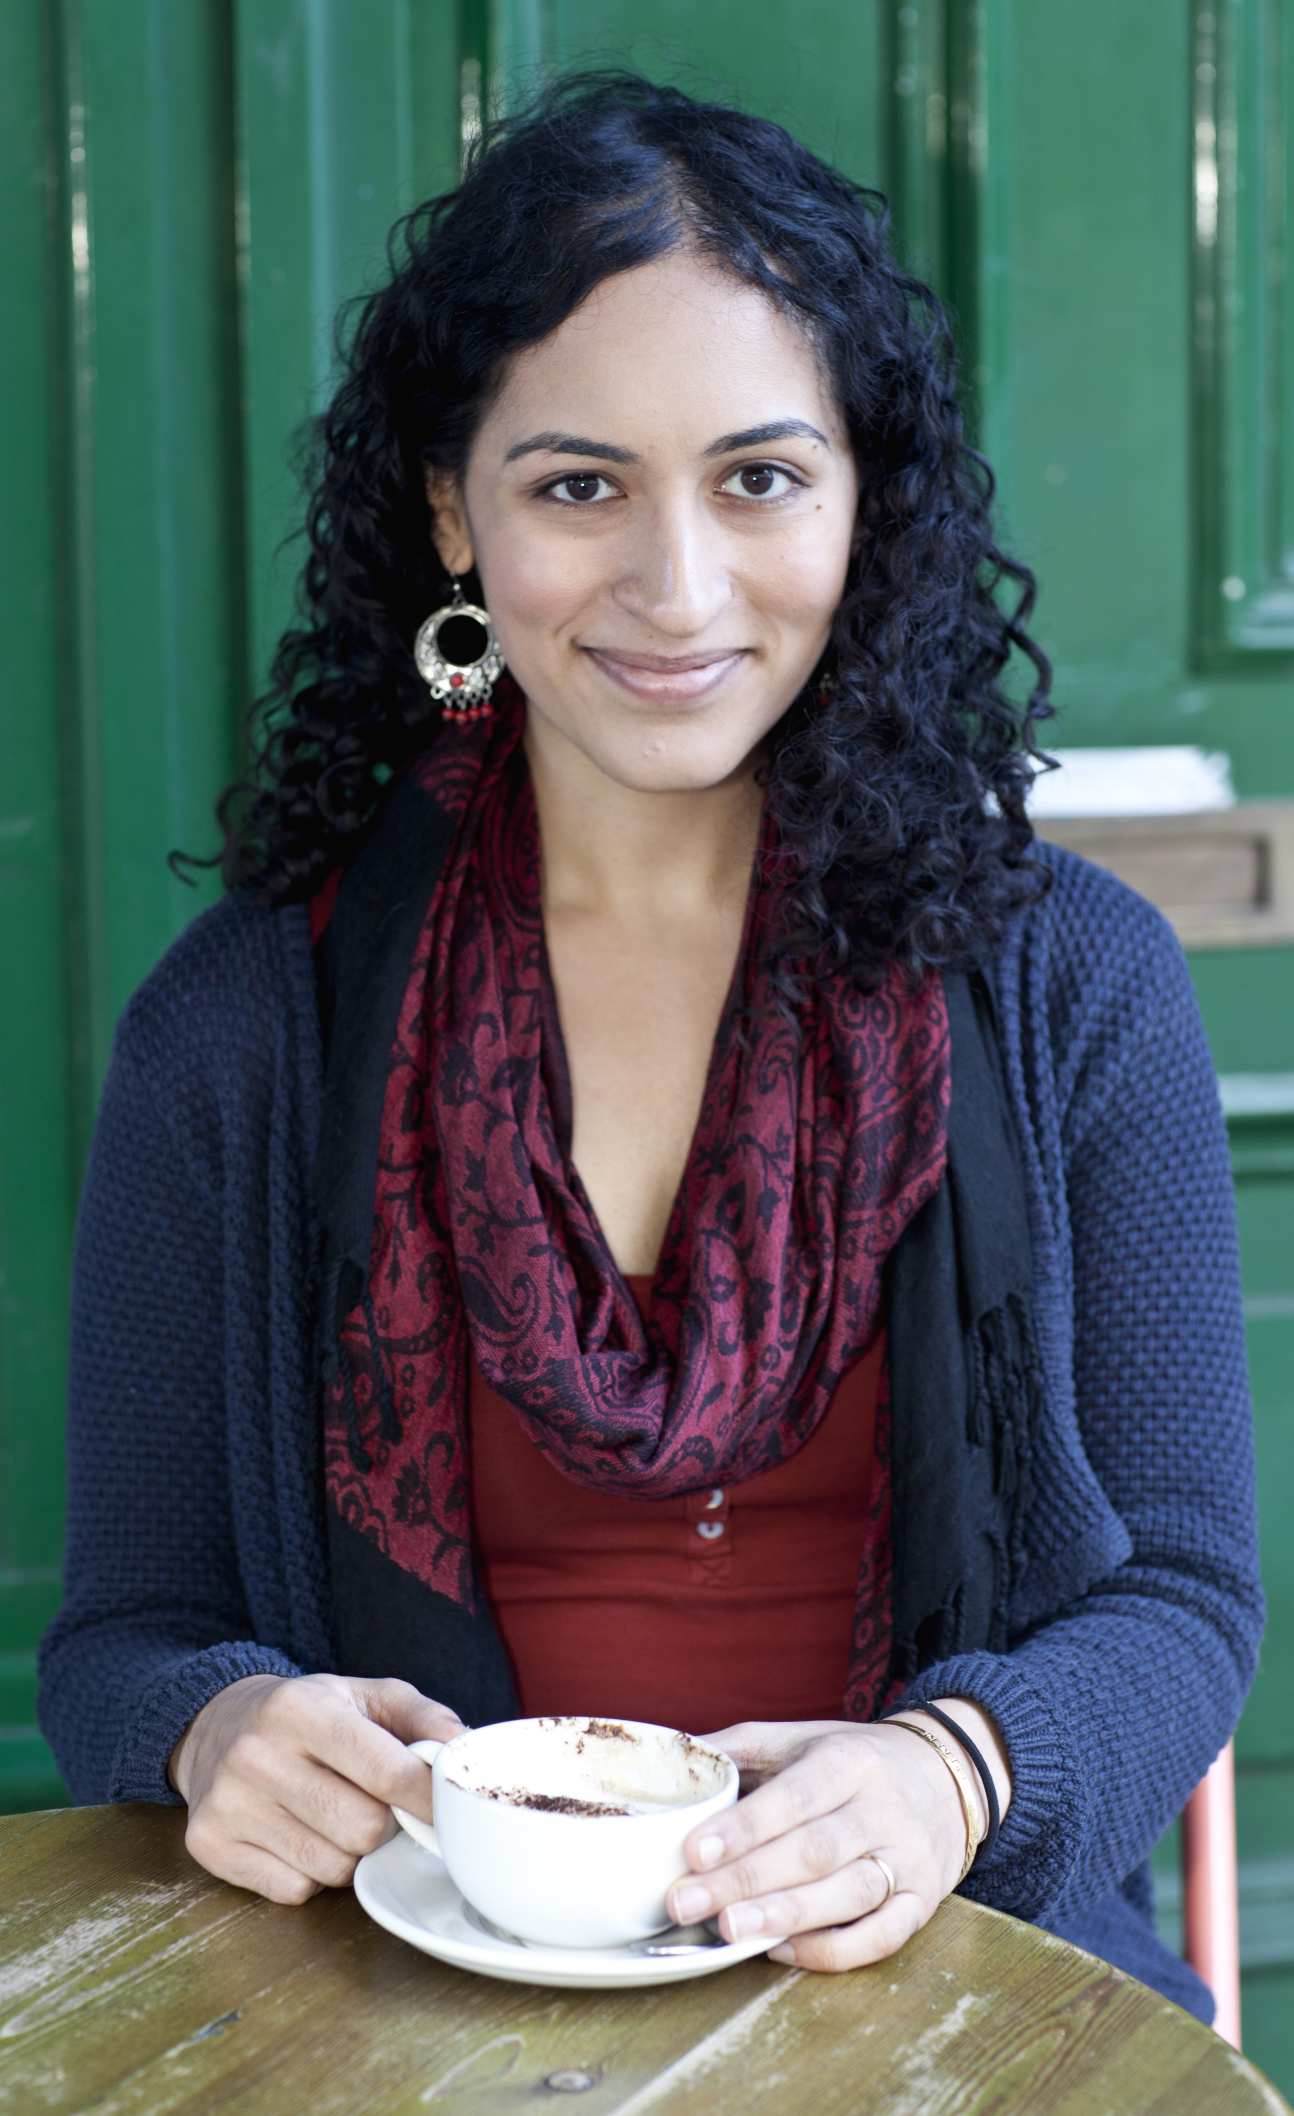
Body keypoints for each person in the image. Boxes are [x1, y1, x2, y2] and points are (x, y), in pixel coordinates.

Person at [37, 67, 1263, 2020]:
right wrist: (212, 1725)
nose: (676, 590)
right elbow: (123, 1638)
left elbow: (1182, 1597)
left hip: (945, 1987)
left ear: (862, 498)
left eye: (757, 478)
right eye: (577, 485)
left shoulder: (1076, 987)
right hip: (398, 2014)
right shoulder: (242, 1027)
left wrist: (956, 1773)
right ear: (452, 508)